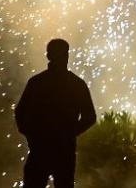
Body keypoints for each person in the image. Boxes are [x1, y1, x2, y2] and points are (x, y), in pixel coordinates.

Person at [15, 39, 97, 188]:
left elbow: (20, 112)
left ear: (48, 56)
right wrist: (70, 133)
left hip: (40, 150)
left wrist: (32, 135)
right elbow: (90, 117)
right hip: (63, 151)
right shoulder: (77, 84)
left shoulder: (36, 82)